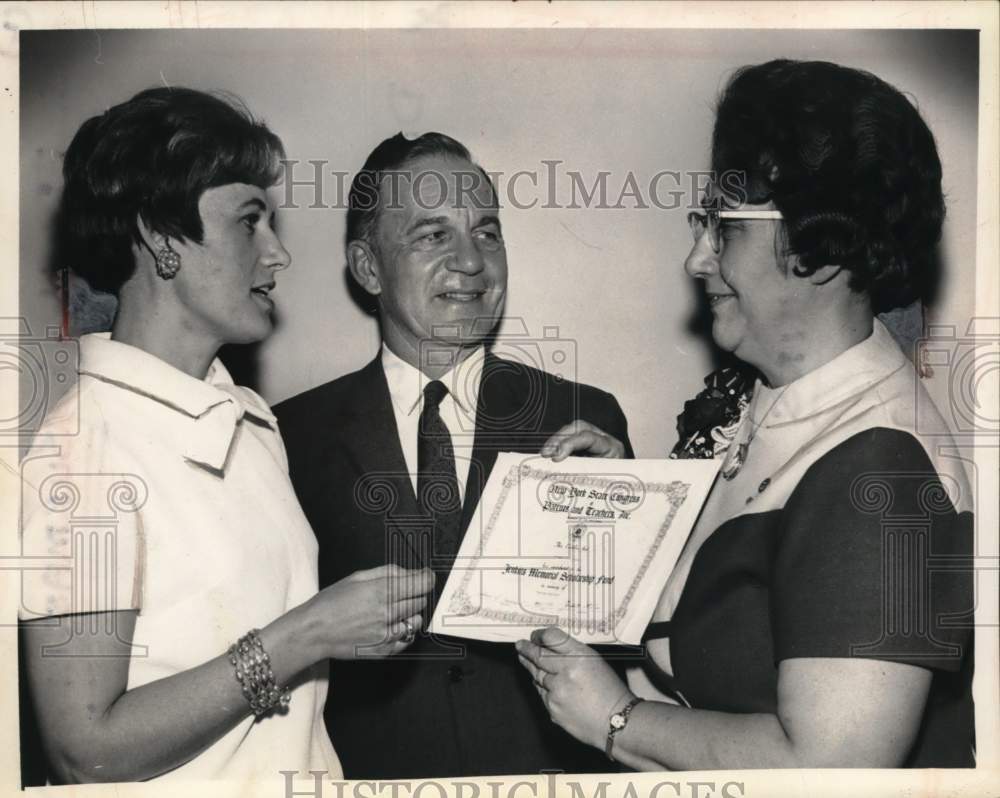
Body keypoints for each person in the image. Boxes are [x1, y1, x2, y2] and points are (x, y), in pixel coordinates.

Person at [517, 60, 975, 769]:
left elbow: (829, 771)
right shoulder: (759, 395)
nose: (697, 258)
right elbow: (730, 589)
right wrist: (636, 507)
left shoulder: (883, 475)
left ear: (820, 251)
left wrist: (614, 718)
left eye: (723, 228)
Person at [18, 87, 434, 784]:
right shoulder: (82, 448)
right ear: (159, 235)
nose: (277, 257)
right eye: (249, 222)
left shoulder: (250, 421)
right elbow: (82, 745)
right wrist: (308, 633)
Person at [274, 132, 633, 778]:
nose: (472, 261)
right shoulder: (289, 440)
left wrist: (622, 532)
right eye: (433, 236)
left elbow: (629, 647)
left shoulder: (586, 422)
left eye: (487, 232)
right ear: (368, 267)